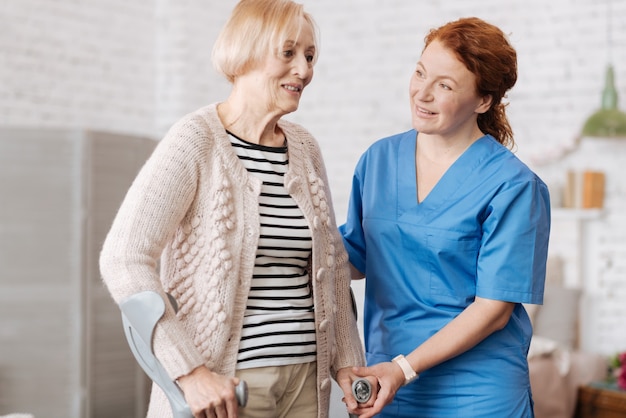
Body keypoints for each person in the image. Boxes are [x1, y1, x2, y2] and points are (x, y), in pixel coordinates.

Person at [99, 1, 368, 417]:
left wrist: (349, 362)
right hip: (231, 388)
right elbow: (124, 258)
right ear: (246, 50)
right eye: (289, 52)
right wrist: (189, 372)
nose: (304, 70)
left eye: (310, 56)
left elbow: (332, 268)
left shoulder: (305, 148)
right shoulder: (195, 140)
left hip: (306, 382)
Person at [339, 17, 551, 418]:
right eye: (420, 73)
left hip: (475, 390)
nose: (422, 93)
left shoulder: (513, 185)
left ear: (483, 101)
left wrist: (403, 368)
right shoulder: (378, 160)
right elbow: (354, 255)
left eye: (445, 86)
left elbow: (493, 309)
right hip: (386, 381)